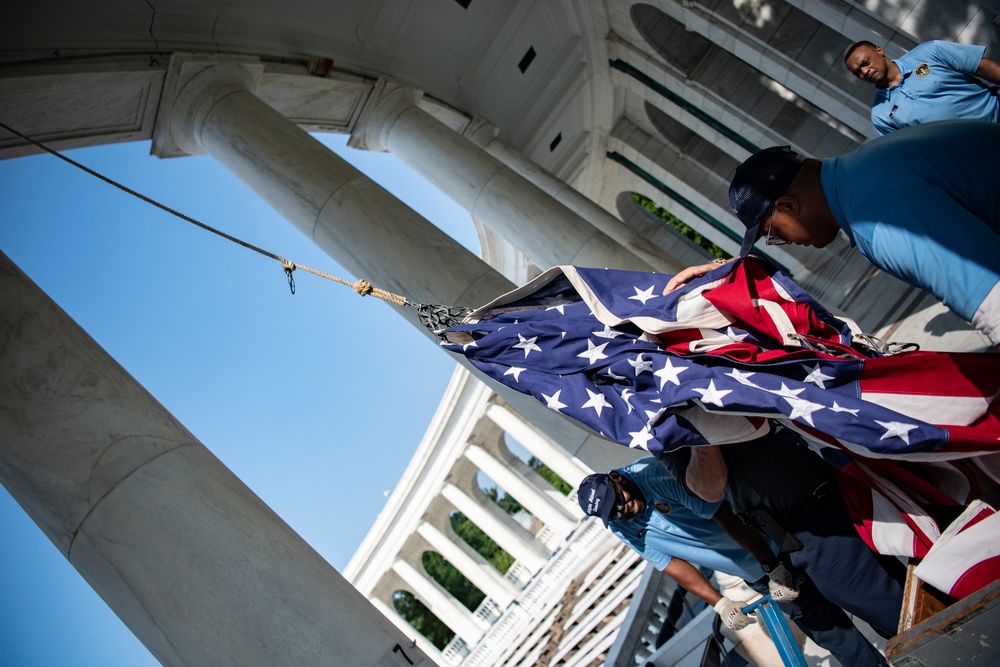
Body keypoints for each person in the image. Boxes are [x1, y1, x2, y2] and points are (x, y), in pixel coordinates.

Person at [664, 120, 1000, 350]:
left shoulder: (875, 219)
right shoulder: (865, 169)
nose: (787, 243)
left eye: (774, 233)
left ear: (788, 206)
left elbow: (993, 302)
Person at [578, 457, 892, 666]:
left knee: (863, 594)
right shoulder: (619, 523)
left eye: (621, 502)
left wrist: (773, 565)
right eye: (613, 513)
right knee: (828, 630)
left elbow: (725, 517)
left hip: (777, 540)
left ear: (617, 478)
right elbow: (669, 563)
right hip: (757, 570)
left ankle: (913, 638)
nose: (625, 511)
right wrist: (719, 603)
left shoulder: (656, 476)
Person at [655, 429, 907, 640]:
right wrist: (701, 436)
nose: (623, 513)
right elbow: (708, 490)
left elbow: (719, 512)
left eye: (619, 504)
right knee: (878, 616)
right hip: (795, 534)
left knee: (892, 607)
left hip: (828, 497)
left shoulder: (650, 472)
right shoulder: (660, 431)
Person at [843, 39, 1000, 134]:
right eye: (857, 72)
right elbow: (913, 150)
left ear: (879, 50)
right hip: (979, 152)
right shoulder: (880, 115)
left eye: (865, 63)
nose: (864, 71)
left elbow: (983, 67)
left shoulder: (930, 52)